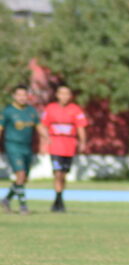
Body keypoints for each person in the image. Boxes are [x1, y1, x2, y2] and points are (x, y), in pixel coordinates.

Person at [41, 84, 88, 213]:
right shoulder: (50, 108)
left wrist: (83, 142)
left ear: (70, 96)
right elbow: (43, 125)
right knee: (57, 173)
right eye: (61, 93)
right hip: (55, 145)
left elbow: (80, 127)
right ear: (57, 94)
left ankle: (60, 198)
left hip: (69, 146)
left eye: (67, 93)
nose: (64, 96)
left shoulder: (75, 109)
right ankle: (58, 200)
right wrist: (45, 139)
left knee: (64, 174)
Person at [1, 85, 46, 215]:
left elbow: (39, 126)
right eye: (19, 95)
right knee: (20, 174)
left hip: (27, 147)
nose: (22, 97)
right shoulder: (8, 111)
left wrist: (46, 140)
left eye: (24, 95)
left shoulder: (31, 111)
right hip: (13, 145)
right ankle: (23, 206)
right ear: (14, 96)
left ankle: (6, 199)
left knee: (24, 178)